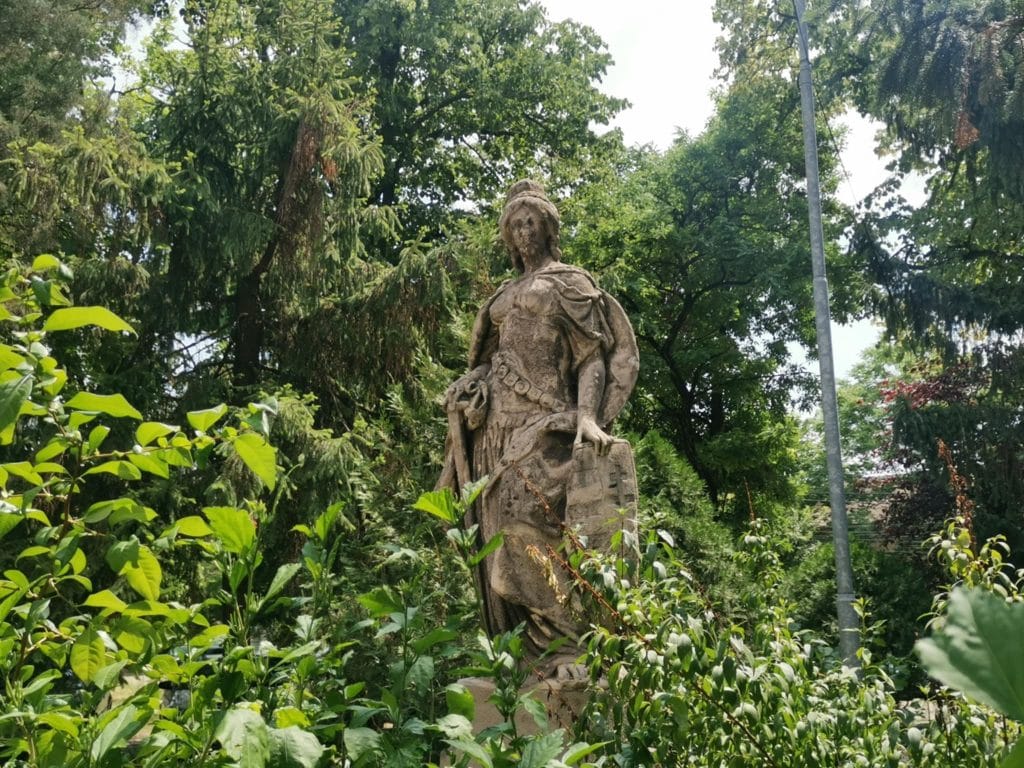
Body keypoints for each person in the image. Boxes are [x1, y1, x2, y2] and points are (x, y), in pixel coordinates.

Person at [438, 180, 638, 670]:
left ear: (548, 229)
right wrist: (472, 384)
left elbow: (591, 357)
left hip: (545, 424)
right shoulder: (503, 296)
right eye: (515, 224)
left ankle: (571, 642)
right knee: (492, 541)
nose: (523, 231)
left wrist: (586, 416)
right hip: (494, 432)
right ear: (507, 235)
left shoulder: (569, 283)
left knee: (527, 527)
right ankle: (523, 658)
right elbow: (489, 361)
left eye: (531, 222)